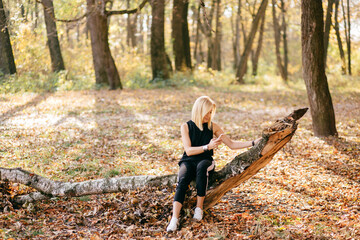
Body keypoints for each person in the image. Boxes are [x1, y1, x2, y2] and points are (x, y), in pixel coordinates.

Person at [166, 96, 261, 232]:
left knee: (202, 167)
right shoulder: (186, 126)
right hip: (188, 160)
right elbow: (189, 150)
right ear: (199, 110)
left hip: (206, 160)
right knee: (182, 179)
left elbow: (232, 144)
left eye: (211, 112)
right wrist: (208, 146)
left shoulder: (213, 126)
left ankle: (199, 209)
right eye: (207, 112)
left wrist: (253, 143)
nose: (209, 115)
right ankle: (174, 219)